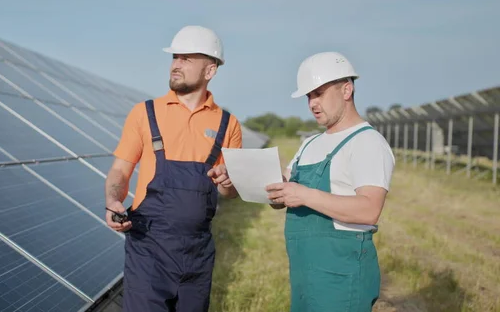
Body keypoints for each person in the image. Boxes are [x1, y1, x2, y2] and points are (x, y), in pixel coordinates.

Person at [104, 25, 243, 312]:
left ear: (210, 70)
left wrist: (228, 182)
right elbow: (120, 170)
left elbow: (230, 192)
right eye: (175, 57)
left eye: (186, 59)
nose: (176, 65)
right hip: (148, 250)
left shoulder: (228, 124)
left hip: (198, 254)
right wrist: (113, 199)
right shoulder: (145, 113)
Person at [265, 51, 395, 312]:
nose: (313, 103)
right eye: (309, 96)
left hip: (341, 278)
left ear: (347, 89)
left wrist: (304, 195)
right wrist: (268, 185)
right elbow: (286, 193)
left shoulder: (367, 142)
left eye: (319, 93)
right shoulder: (310, 144)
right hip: (305, 274)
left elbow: (369, 210)